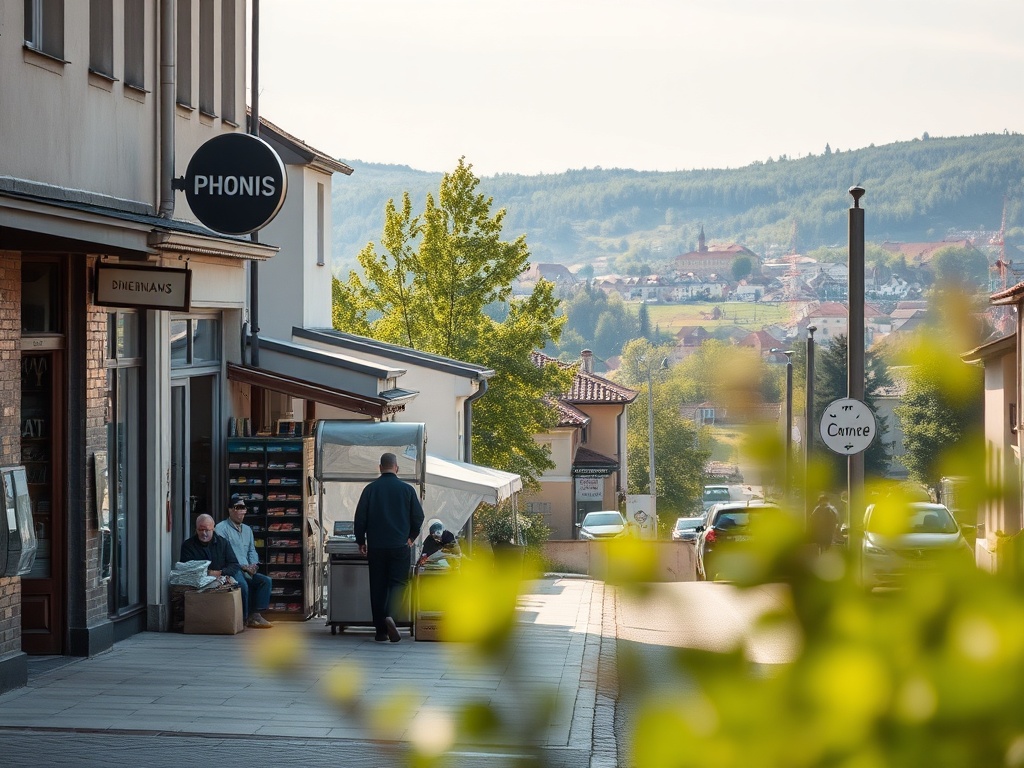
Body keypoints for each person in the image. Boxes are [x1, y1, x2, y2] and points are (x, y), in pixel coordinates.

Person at [354, 452, 424, 643]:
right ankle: (391, 616)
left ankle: (380, 632)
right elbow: (418, 517)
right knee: (399, 584)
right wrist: (411, 537)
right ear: (396, 468)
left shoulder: (370, 489)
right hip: (400, 546)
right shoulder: (407, 490)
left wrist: (361, 541)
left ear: (380, 467)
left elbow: (360, 519)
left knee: (377, 587)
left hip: (376, 547)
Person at [179, 513, 271, 629]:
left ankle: (253, 615)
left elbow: (234, 564)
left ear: (213, 529)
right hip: (202, 578)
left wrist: (222, 572)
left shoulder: (223, 542)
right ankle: (243, 619)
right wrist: (209, 573)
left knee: (261, 581)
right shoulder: (188, 545)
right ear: (196, 529)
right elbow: (186, 568)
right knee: (242, 584)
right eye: (200, 530)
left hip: (226, 573)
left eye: (207, 530)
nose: (204, 533)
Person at [215, 495, 274, 629]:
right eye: (239, 508)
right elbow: (224, 554)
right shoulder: (221, 528)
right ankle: (243, 618)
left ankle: (256, 615)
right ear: (230, 510)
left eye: (244, 508)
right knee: (243, 585)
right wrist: (243, 566)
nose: (242, 511)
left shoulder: (247, 530)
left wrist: (254, 565)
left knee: (266, 581)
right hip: (232, 568)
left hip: (247, 568)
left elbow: (252, 550)